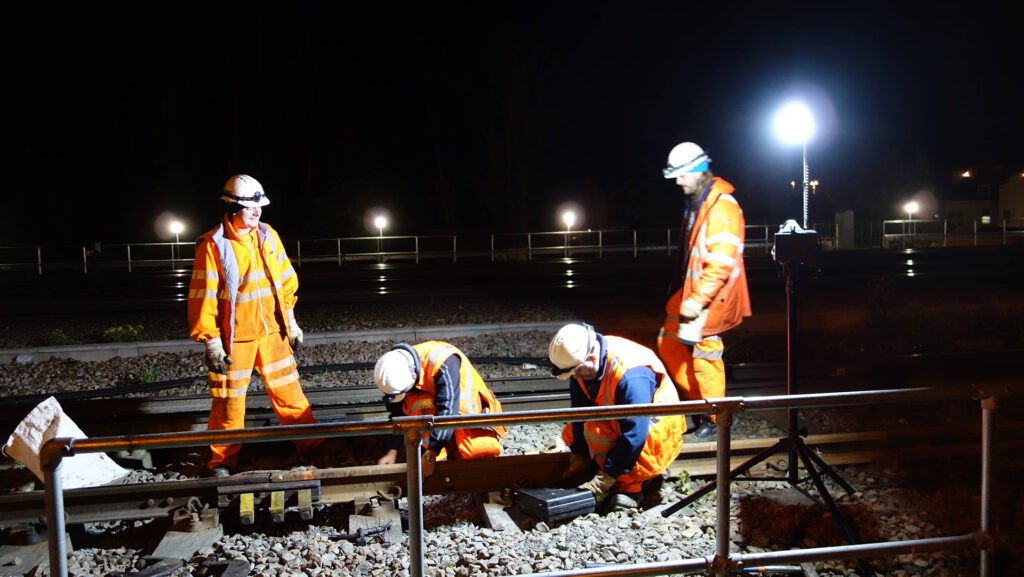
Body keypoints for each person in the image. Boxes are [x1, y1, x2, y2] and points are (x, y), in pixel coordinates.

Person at [188, 174, 321, 477]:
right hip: (236, 340)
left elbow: (286, 282)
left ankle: (311, 446)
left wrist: (292, 322)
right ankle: (222, 461)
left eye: (259, 205)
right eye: (250, 206)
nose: (257, 211)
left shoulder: (268, 235)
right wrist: (211, 341)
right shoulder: (213, 246)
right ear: (233, 207)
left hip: (272, 333)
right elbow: (203, 297)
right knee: (229, 403)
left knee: (290, 393)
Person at [657, 142, 751, 438]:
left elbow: (721, 262)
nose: (677, 181)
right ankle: (701, 401)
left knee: (706, 356)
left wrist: (697, 300)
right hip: (693, 293)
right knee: (668, 341)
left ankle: (715, 417)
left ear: (698, 170)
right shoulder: (702, 201)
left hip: (711, 298)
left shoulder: (722, 206)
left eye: (681, 174)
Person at [548, 323, 684, 511]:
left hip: (652, 430)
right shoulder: (583, 361)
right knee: (574, 431)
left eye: (577, 372)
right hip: (623, 418)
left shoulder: (631, 376)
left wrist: (603, 481)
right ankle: (606, 469)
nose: (575, 377)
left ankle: (630, 488)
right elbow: (579, 413)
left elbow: (635, 434)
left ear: (591, 357)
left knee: (601, 432)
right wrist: (579, 458)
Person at [373, 341, 506, 475]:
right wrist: (392, 450)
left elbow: (447, 413)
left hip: (469, 416)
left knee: (475, 450)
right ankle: (437, 456)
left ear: (413, 377)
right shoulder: (392, 368)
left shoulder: (444, 362)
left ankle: (462, 465)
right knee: (416, 402)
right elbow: (397, 412)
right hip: (444, 409)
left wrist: (430, 456)